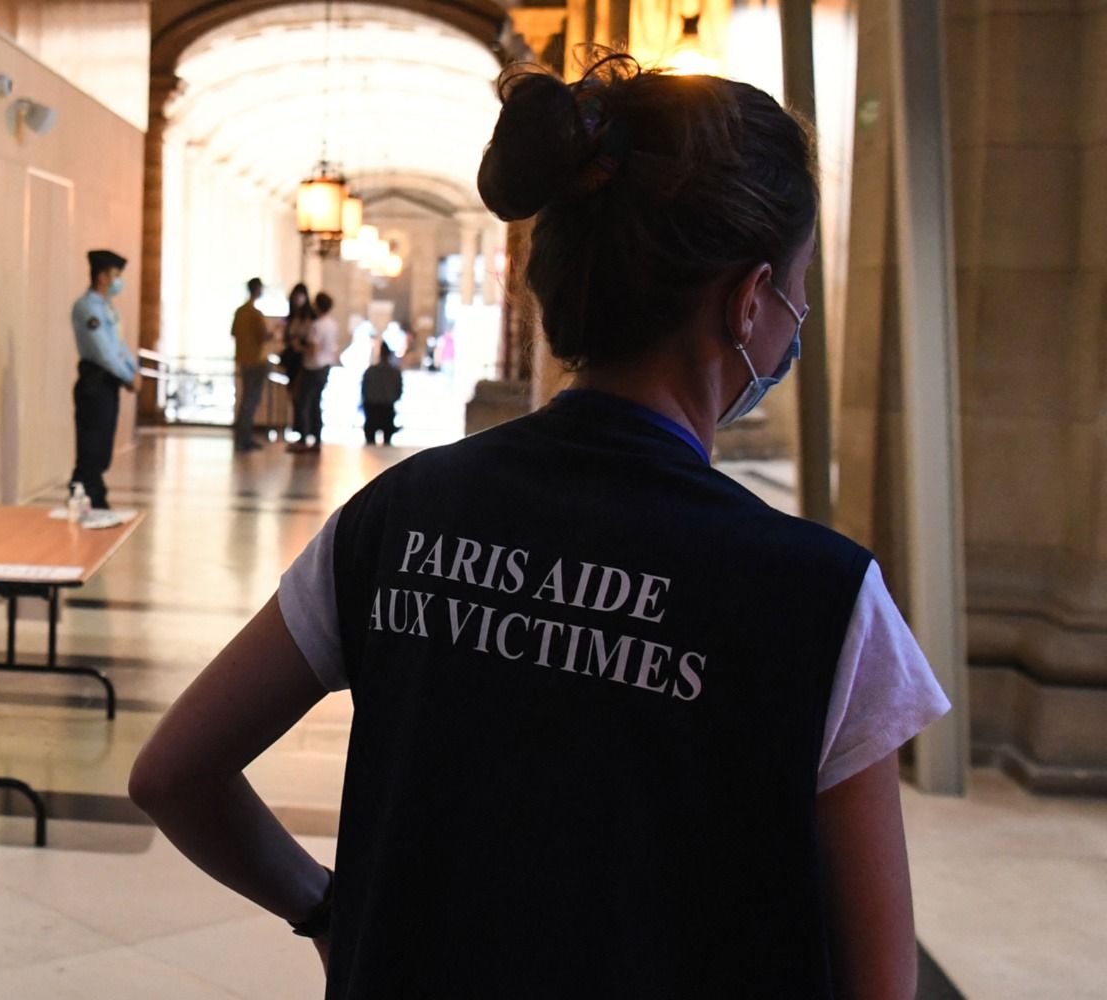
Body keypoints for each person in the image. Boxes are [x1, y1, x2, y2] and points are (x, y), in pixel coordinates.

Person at [130, 55, 949, 1000]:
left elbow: (173, 774)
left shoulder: (397, 518)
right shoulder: (822, 599)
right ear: (750, 299)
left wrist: (322, 908)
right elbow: (880, 985)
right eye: (797, 289)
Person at [69, 248, 137, 510]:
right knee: (92, 444)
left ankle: (90, 492)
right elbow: (103, 352)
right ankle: (88, 494)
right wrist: (127, 374)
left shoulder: (107, 308)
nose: (118, 281)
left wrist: (132, 371)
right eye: (115, 275)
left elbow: (118, 345)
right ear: (102, 277)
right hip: (94, 381)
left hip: (109, 382)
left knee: (103, 444)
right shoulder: (88, 308)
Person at [289, 292, 339, 453]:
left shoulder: (316, 326)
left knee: (303, 403)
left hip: (312, 368)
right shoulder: (332, 324)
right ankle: (316, 439)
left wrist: (298, 347)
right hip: (325, 367)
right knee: (316, 403)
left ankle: (303, 439)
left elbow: (313, 349)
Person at [232, 278, 270, 452]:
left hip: (243, 359)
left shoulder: (240, 312)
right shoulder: (255, 314)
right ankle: (244, 437)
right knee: (250, 400)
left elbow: (234, 333)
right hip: (255, 361)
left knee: (246, 399)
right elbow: (263, 336)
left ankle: (243, 436)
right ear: (257, 289)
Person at [279, 284, 313, 440]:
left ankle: (304, 433)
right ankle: (300, 431)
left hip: (302, 362)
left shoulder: (309, 319)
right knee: (295, 397)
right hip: (292, 361)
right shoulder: (291, 318)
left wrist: (299, 346)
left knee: (302, 398)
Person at [360, 345, 402, 445]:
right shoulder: (394, 372)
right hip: (385, 408)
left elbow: (365, 390)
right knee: (385, 439)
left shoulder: (371, 371)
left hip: (374, 408)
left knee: (371, 439)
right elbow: (398, 391)